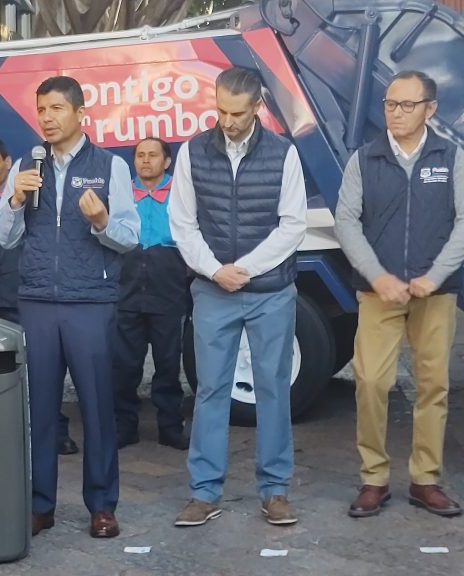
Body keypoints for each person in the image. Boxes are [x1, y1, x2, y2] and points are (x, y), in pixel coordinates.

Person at [0, 76, 140, 539]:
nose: (47, 118)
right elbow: (4, 236)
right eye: (41, 110)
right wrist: (16, 198)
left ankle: (102, 505)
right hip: (37, 300)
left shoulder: (109, 166)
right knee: (38, 408)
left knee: (97, 407)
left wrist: (101, 222)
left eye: (57, 109)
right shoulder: (26, 165)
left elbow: (129, 237)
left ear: (81, 113)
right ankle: (40, 504)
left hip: (89, 303)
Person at [334, 70, 464, 518]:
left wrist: (435, 276)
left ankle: (425, 480)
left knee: (433, 386)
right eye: (389, 105)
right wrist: (377, 277)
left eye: (406, 105)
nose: (394, 114)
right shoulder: (364, 159)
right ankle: (373, 477)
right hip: (378, 294)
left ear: (430, 110)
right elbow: (346, 222)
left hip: (434, 294)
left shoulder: (451, 158)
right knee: (372, 382)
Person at [169, 68, 306, 528]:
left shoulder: (284, 154)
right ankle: (204, 493)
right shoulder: (192, 152)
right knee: (209, 391)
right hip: (212, 290)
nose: (226, 121)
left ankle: (275, 490)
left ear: (256, 109)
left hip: (270, 292)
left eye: (236, 113)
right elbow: (182, 223)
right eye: (220, 110)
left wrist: (243, 270)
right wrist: (214, 271)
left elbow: (293, 225)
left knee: (273, 389)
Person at [0, 136, 79, 456]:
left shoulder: (30, 197)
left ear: (8, 162)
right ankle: (1, 429)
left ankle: (55, 430)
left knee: (40, 368)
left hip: (23, 293)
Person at [113, 137, 190, 451]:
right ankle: (124, 426)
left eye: (153, 155)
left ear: (167, 161)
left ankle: (170, 427)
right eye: (140, 155)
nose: (145, 160)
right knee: (124, 365)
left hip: (167, 292)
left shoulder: (181, 194)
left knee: (169, 364)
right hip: (127, 292)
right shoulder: (120, 195)